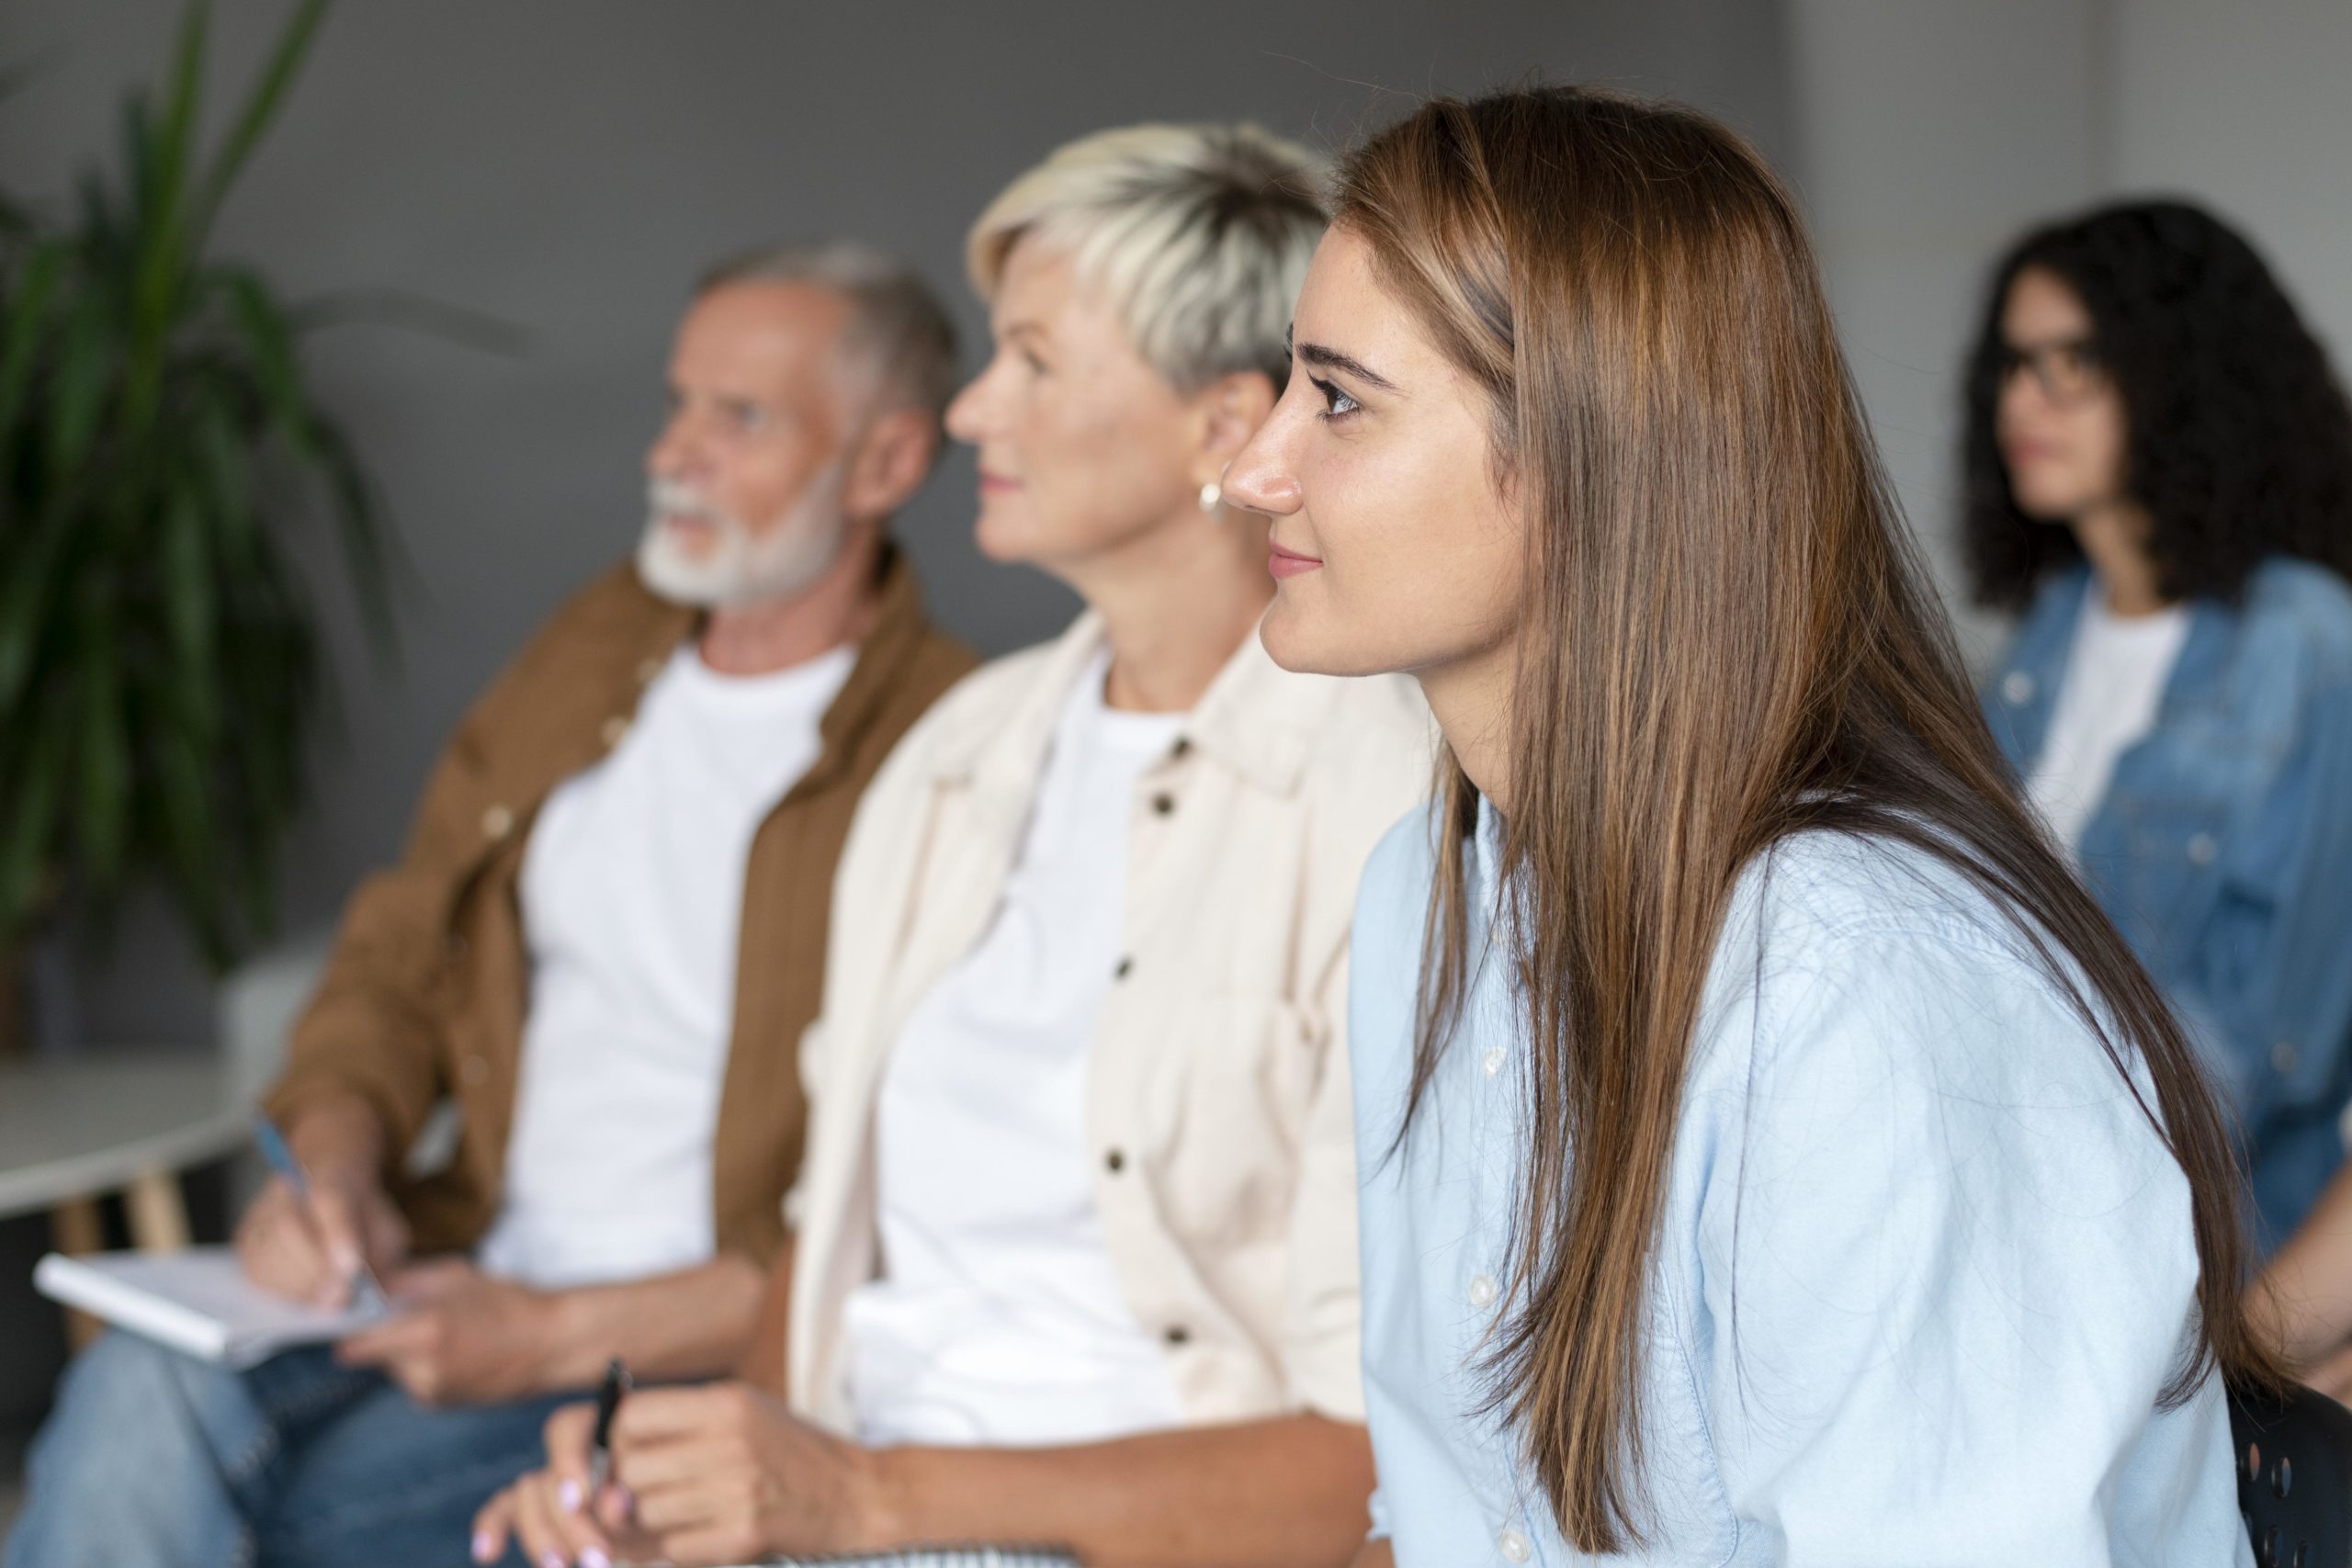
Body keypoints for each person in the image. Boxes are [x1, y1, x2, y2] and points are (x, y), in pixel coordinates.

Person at [1220, 86, 2278, 1565]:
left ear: (1592, 455)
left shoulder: (1858, 972)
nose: (1253, 467)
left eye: (1337, 399)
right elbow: (1453, 1518)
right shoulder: (1430, 890)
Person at [474, 123, 1430, 1568]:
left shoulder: (1391, 795)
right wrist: (680, 1479)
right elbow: (833, 1242)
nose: (974, 412)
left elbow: (1375, 1462)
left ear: (1227, 428)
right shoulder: (956, 758)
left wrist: (862, 1501)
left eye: (1036, 361)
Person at [6, 242, 977, 1568]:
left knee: (246, 1506)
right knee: (133, 1389)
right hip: (457, 1269)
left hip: (689, 1355)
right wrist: (336, 1163)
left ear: (887, 463)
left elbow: (928, 1190)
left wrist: (556, 1335)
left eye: (738, 417)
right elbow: (404, 944)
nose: (673, 453)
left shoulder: (959, 745)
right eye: (678, 401)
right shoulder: (596, 643)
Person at [1966, 200, 2352, 1254]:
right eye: (2012, 362)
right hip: (2033, 1229)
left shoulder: (2304, 647)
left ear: (2181, 376)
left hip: (2217, 1263)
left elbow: (2274, 1044)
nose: (2021, 399)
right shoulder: (2045, 635)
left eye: (2071, 360)